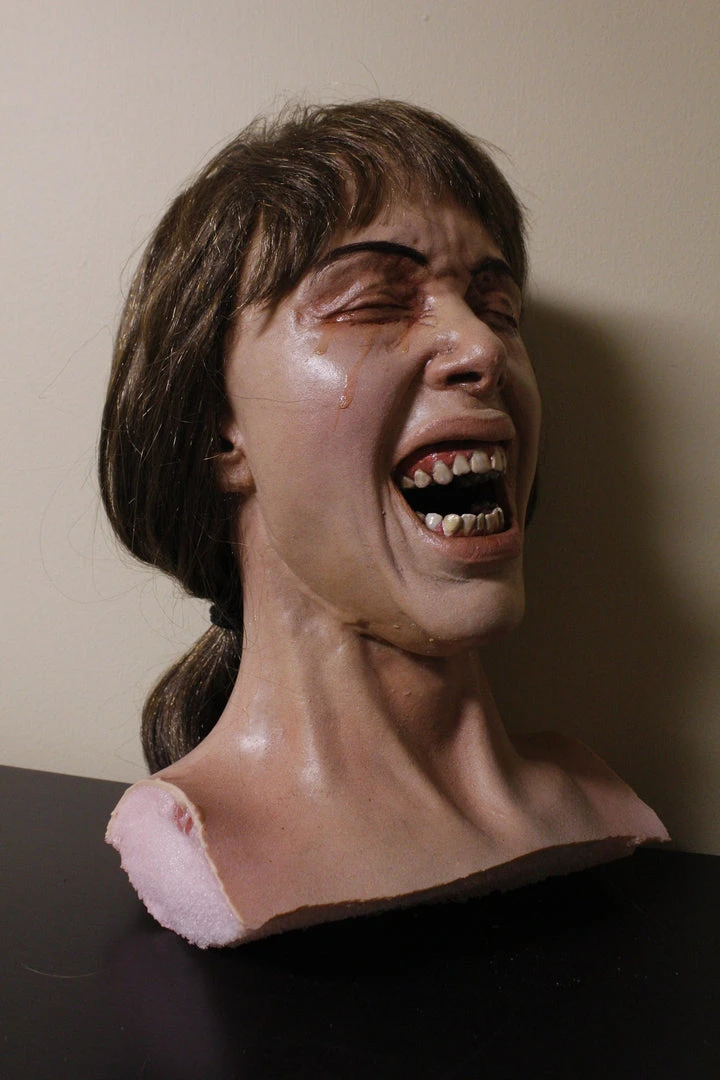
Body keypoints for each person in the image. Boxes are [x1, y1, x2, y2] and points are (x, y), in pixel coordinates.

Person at [101, 100, 667, 947]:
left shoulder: (589, 798)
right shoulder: (206, 839)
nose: (482, 347)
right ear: (219, 428)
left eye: (497, 307)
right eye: (373, 302)